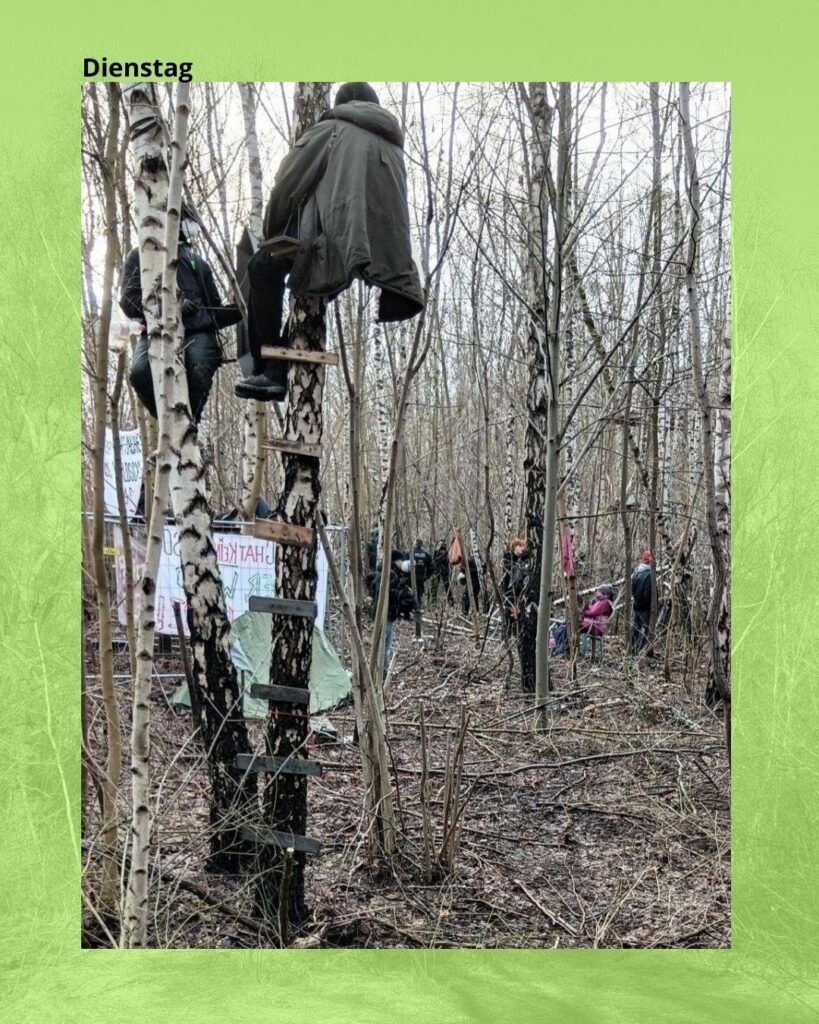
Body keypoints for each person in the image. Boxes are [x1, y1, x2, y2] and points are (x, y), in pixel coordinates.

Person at [236, 81, 425, 401]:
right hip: (368, 258)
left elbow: (288, 181)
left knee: (261, 268)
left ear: (342, 105)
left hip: (331, 241)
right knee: (317, 289)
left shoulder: (333, 128)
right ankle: (277, 373)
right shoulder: (394, 150)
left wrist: (272, 232)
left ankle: (266, 365)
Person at [120, 205, 242, 422]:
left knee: (198, 366)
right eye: (188, 220)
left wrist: (240, 310)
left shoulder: (199, 263)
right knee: (140, 372)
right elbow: (128, 301)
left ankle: (189, 423)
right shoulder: (139, 256)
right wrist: (169, 307)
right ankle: (167, 421)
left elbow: (214, 310)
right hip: (155, 331)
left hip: (198, 333)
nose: (192, 226)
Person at [367, 550, 417, 676]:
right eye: (400, 560)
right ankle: (382, 670)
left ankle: (380, 669)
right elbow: (393, 594)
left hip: (382, 613)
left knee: (383, 642)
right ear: (395, 561)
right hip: (386, 613)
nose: (402, 563)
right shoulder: (391, 574)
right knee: (385, 644)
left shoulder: (383, 573)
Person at [501, 537, 531, 635]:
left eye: (522, 546)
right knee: (509, 612)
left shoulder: (523, 559)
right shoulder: (508, 558)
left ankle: (516, 633)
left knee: (518, 613)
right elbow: (508, 570)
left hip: (519, 592)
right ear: (514, 547)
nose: (521, 548)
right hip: (509, 591)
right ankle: (507, 634)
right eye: (519, 546)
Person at [631, 550, 653, 653]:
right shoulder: (649, 574)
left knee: (636, 628)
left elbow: (633, 589)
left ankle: (633, 648)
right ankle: (640, 651)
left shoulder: (637, 571)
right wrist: (651, 606)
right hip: (645, 607)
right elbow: (647, 593)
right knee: (645, 629)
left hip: (637, 605)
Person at [411, 539, 434, 606]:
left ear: (415, 544)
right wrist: (426, 577)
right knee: (419, 596)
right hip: (421, 578)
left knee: (411, 594)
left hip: (411, 578)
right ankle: (419, 608)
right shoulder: (426, 555)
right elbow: (432, 568)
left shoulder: (410, 553)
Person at [432, 539, 452, 604]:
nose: (444, 545)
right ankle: (433, 602)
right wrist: (442, 555)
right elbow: (435, 560)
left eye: (444, 544)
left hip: (444, 571)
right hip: (437, 571)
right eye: (442, 544)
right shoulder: (436, 551)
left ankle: (450, 601)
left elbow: (448, 562)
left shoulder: (446, 552)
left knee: (447, 586)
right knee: (434, 586)